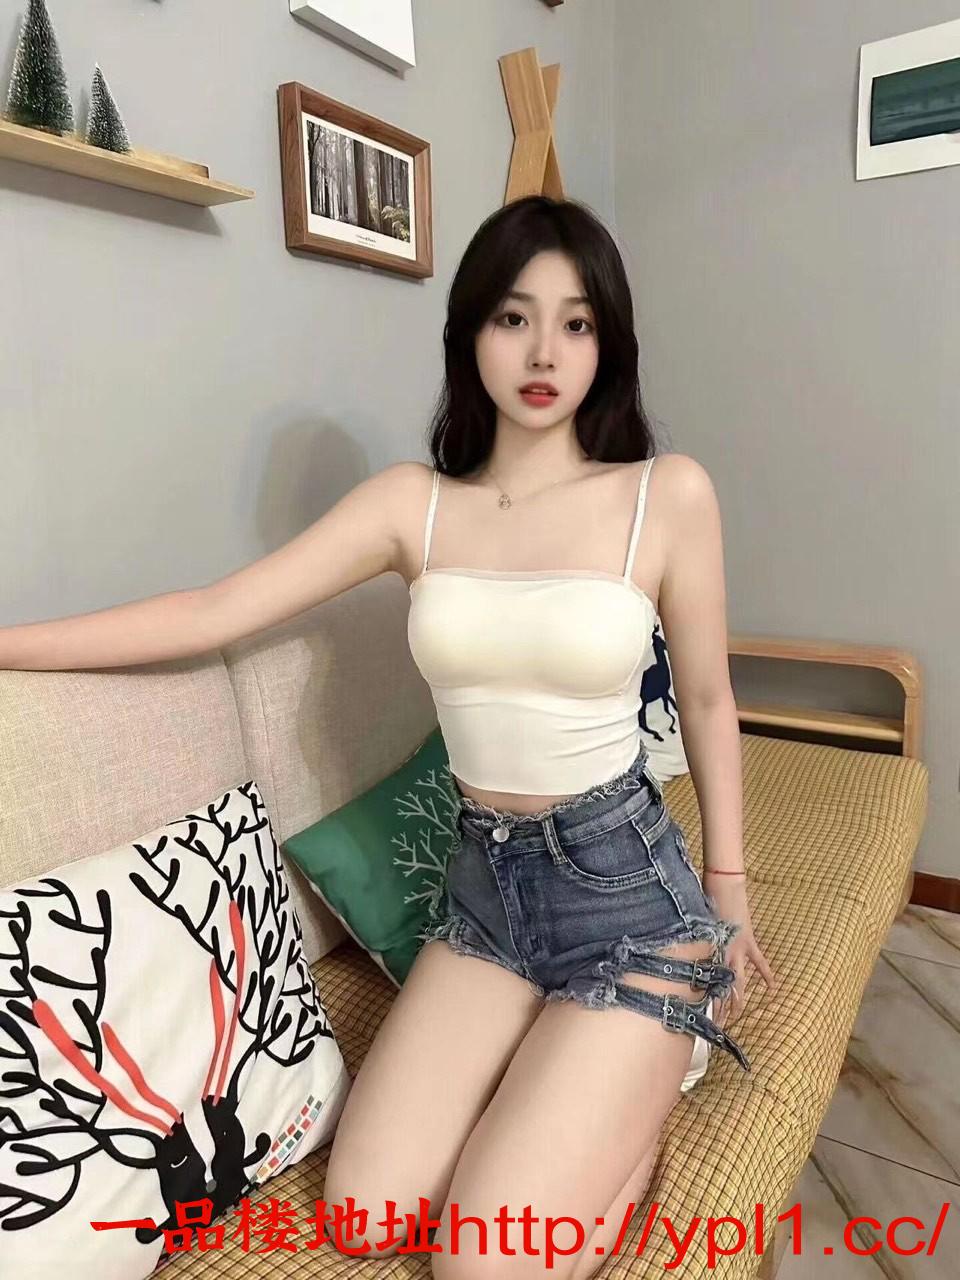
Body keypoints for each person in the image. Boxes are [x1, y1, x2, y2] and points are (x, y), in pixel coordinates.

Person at [1, 194, 776, 1278]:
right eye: (513, 317)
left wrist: (729, 890)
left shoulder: (665, 494)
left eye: (577, 322)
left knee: (478, 1259)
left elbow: (705, 696)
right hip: (485, 898)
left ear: (609, 343)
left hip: (628, 902)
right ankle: (590, 1081)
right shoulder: (414, 505)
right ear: (470, 333)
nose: (544, 353)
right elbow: (212, 610)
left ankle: (638, 1094)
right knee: (362, 1216)